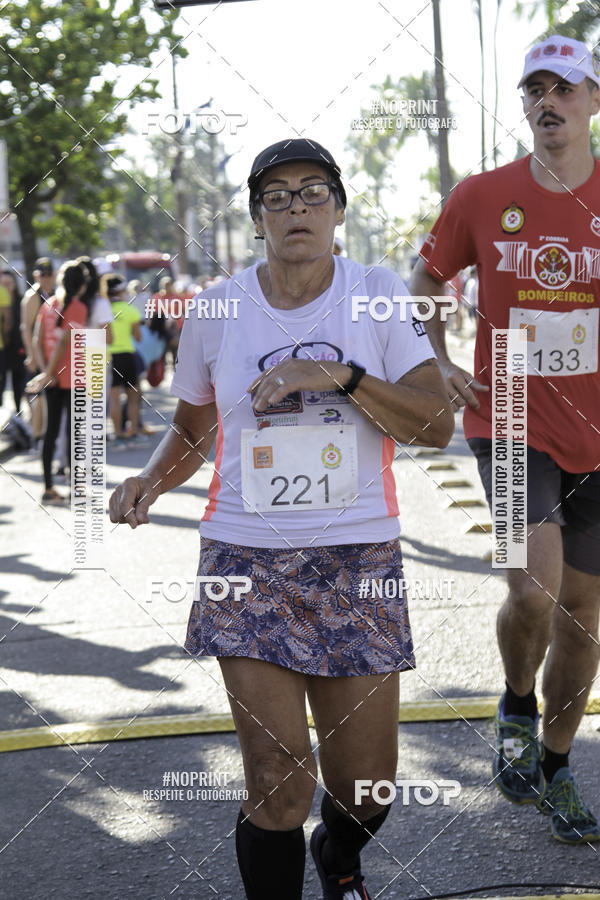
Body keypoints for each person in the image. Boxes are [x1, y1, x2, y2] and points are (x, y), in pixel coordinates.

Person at [110, 137, 453, 900]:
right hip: (245, 558)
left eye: (312, 193)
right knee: (277, 779)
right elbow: (196, 429)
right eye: (277, 196)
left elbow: (434, 424)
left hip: (358, 560)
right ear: (258, 216)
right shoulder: (219, 308)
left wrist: (341, 374)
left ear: (338, 209)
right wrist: (150, 481)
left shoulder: (379, 295)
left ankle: (340, 855)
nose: (296, 208)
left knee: (367, 790)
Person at [410, 35, 600, 844]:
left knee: (586, 616)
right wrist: (438, 357)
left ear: (593, 100)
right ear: (523, 104)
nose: (546, 101)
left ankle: (556, 763)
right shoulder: (483, 195)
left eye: (564, 87)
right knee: (534, 591)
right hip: (511, 415)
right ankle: (515, 703)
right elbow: (423, 281)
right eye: (534, 89)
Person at [30, 260, 87, 504]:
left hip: (53, 379)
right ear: (82, 284)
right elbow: (65, 342)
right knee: (73, 434)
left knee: (50, 433)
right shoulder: (77, 307)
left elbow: (36, 339)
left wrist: (45, 373)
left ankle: (48, 488)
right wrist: (49, 373)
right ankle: (75, 489)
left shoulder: (49, 305)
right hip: (72, 378)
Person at [102, 273, 142, 448]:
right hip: (128, 355)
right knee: (133, 397)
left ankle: (117, 434)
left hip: (110, 357)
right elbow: (138, 337)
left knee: (114, 398)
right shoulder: (130, 309)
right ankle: (134, 432)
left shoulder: (103, 310)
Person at [21, 258, 55, 446]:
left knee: (46, 395)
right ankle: (37, 436)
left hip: (50, 353)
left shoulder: (55, 292)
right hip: (38, 352)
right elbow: (26, 328)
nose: (46, 278)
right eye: (43, 275)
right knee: (37, 396)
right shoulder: (33, 296)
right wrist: (31, 355)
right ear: (36, 275)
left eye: (49, 274)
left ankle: (45, 435)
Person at [0, 269, 26, 413]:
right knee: (2, 383)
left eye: (9, 283)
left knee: (18, 384)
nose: (6, 287)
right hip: (4, 348)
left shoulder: (21, 301)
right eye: (3, 284)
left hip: (18, 349)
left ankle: (18, 413)